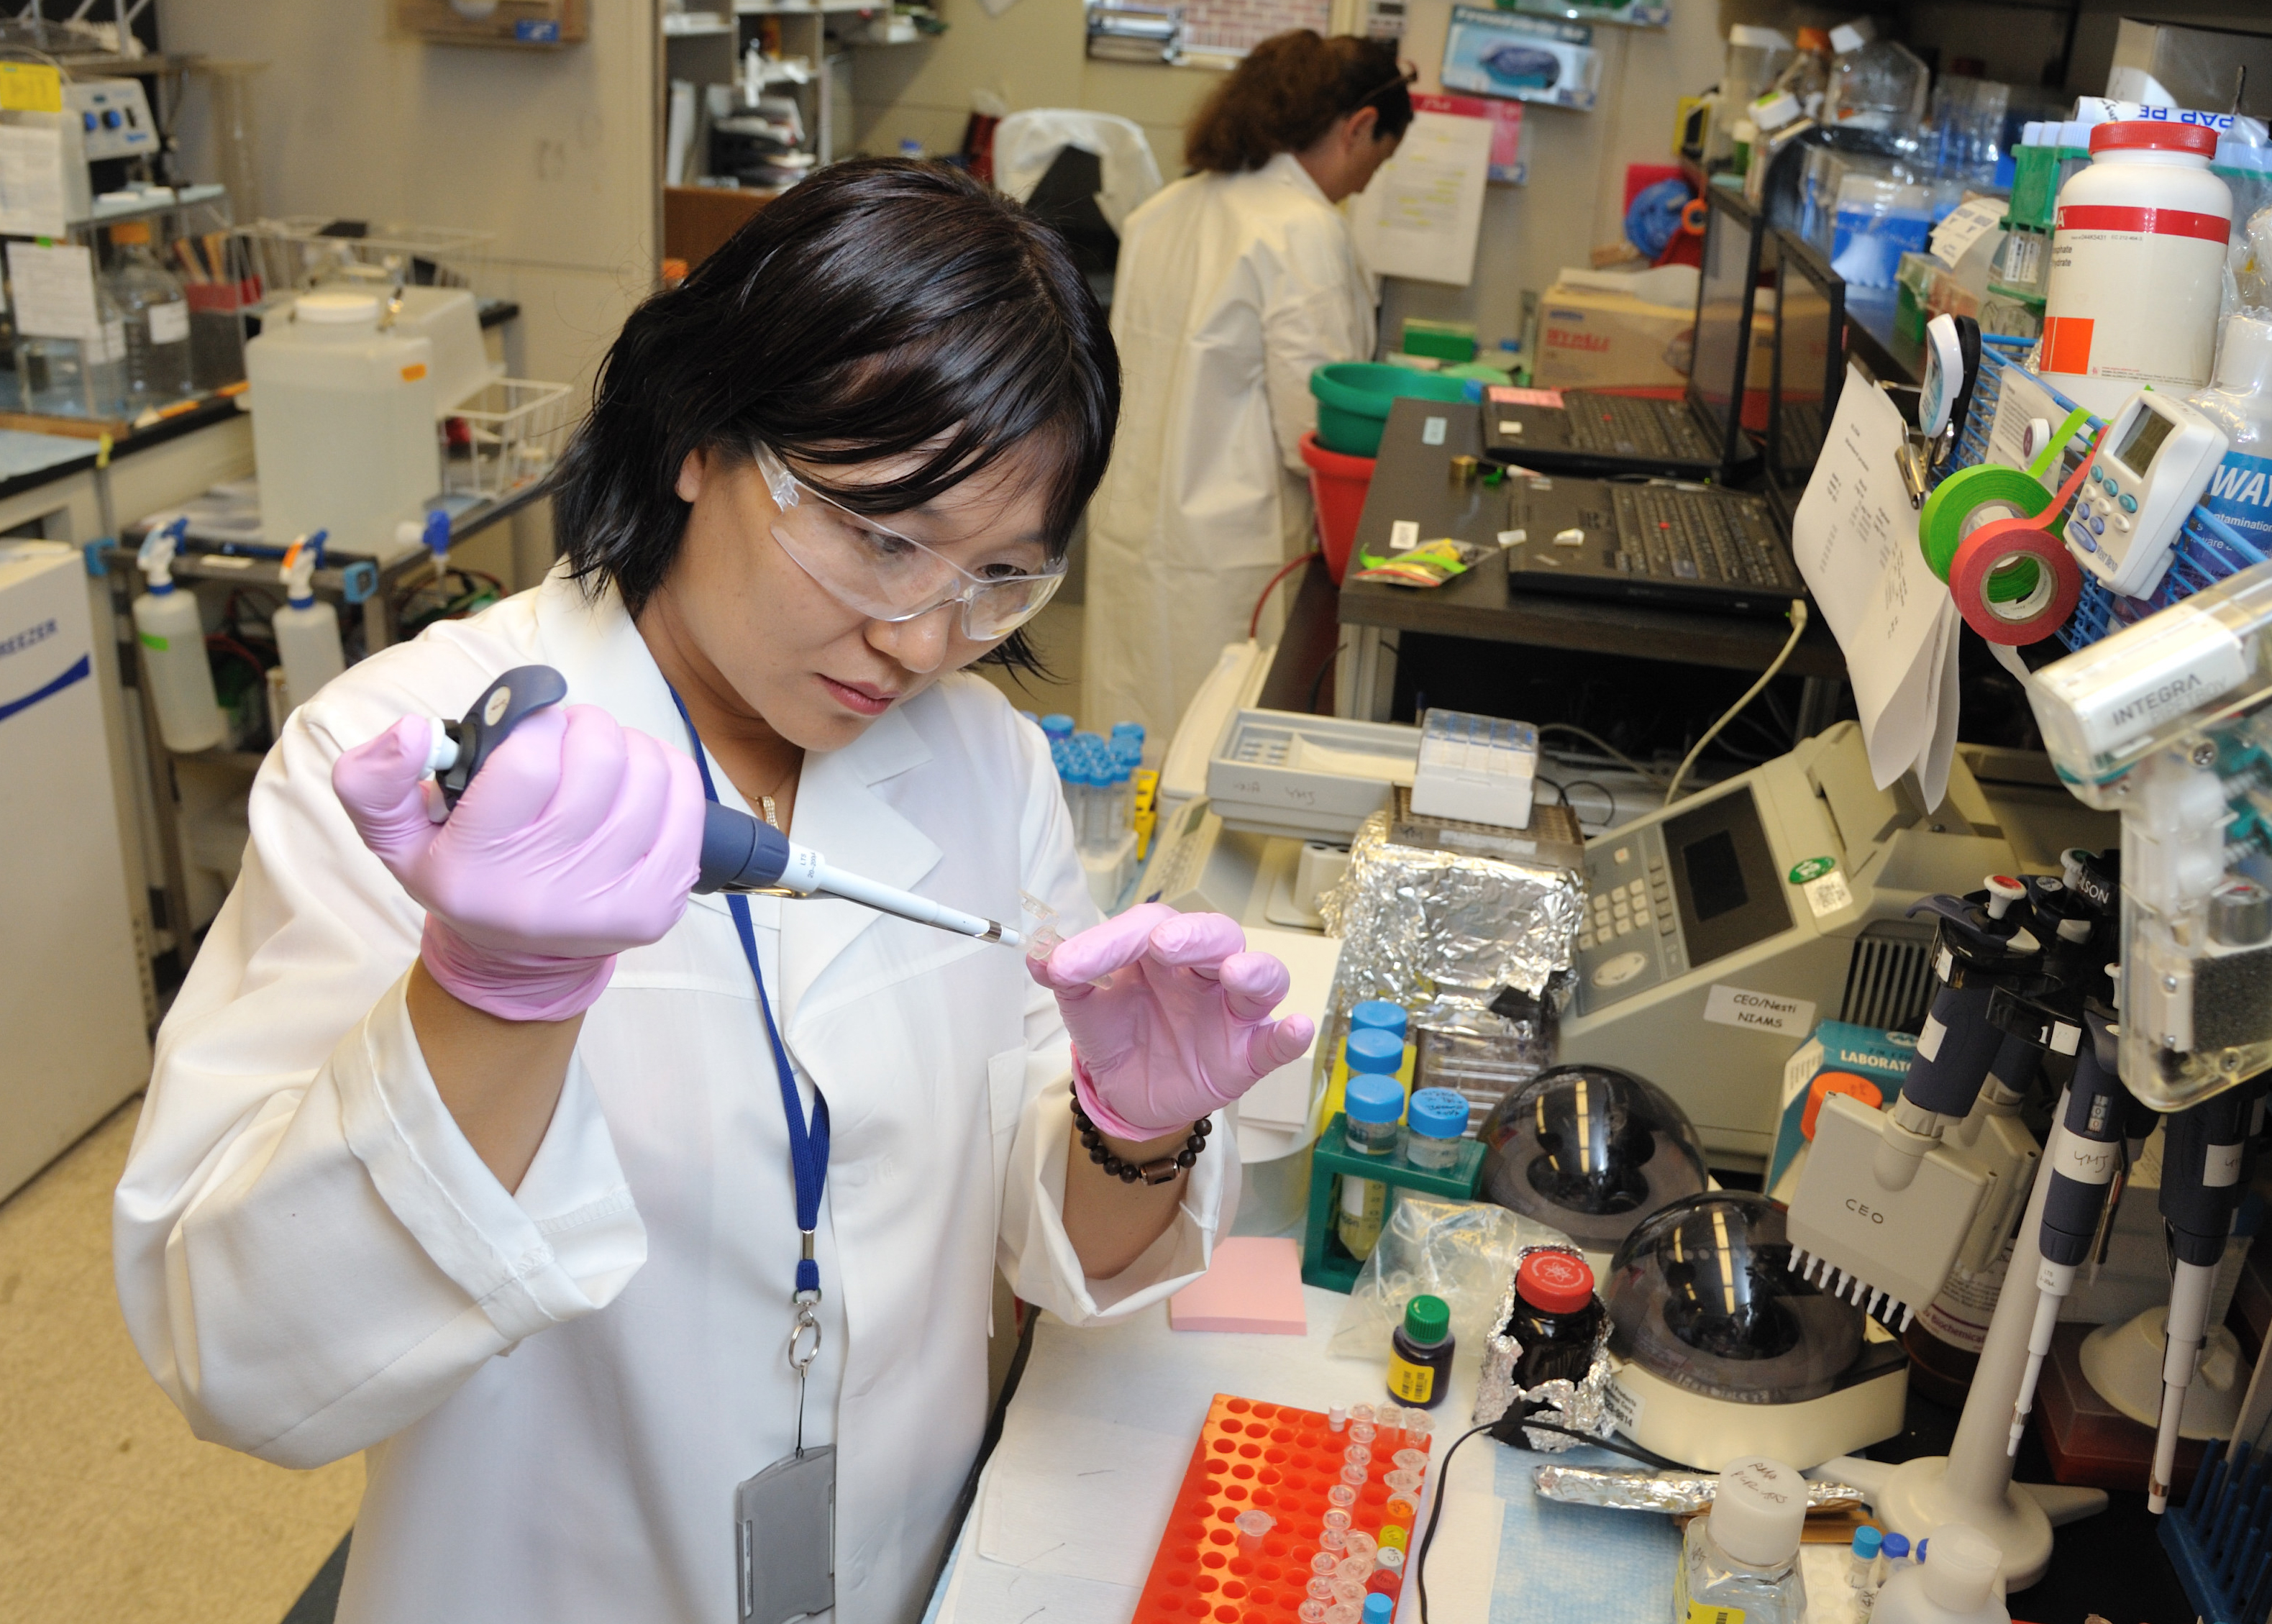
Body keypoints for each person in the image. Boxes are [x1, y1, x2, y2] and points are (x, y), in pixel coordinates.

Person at [112, 161, 1313, 1624]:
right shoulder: (409, 755)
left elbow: (1040, 1244)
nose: (924, 638)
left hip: (906, 1561)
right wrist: (485, 1000)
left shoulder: (984, 766)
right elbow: (240, 1353)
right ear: (698, 437)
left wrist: (1137, 1132)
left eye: (998, 575)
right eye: (879, 538)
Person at [1084, 31, 1413, 739]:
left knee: (1130, 738)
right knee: (1212, 747)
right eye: (1375, 164)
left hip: (1133, 525)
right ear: (1358, 128)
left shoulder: (1162, 211)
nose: (1361, 186)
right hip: (1236, 551)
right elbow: (1317, 432)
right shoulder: (1302, 231)